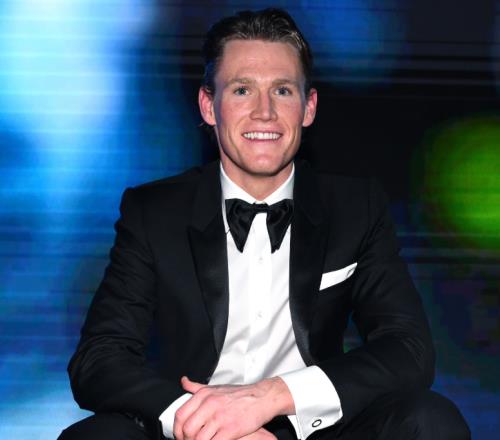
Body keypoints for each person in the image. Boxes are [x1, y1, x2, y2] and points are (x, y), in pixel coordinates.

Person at [59, 8, 470, 440]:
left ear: (308, 107)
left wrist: (272, 397)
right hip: (191, 426)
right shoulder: (154, 211)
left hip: (313, 427)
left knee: (429, 419)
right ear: (208, 106)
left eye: (282, 91)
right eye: (242, 90)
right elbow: (99, 359)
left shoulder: (355, 207)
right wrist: (205, 421)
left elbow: (408, 350)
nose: (264, 112)